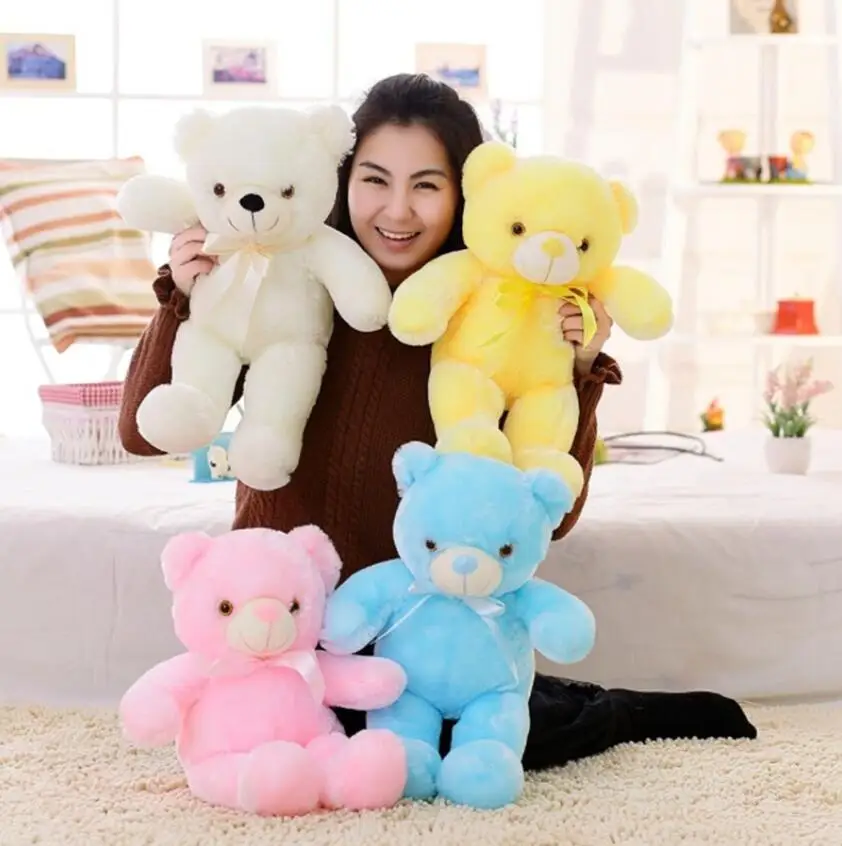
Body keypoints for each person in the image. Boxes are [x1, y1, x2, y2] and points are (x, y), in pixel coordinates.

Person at [119, 73, 756, 772]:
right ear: (339, 180)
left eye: (426, 185)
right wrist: (181, 301)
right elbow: (139, 434)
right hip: (281, 625)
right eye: (374, 180)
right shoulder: (285, 281)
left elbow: (553, 515)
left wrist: (577, 369)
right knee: (283, 737)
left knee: (472, 739)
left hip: (424, 632)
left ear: (464, 196)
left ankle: (608, 710)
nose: (397, 210)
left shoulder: (488, 313)